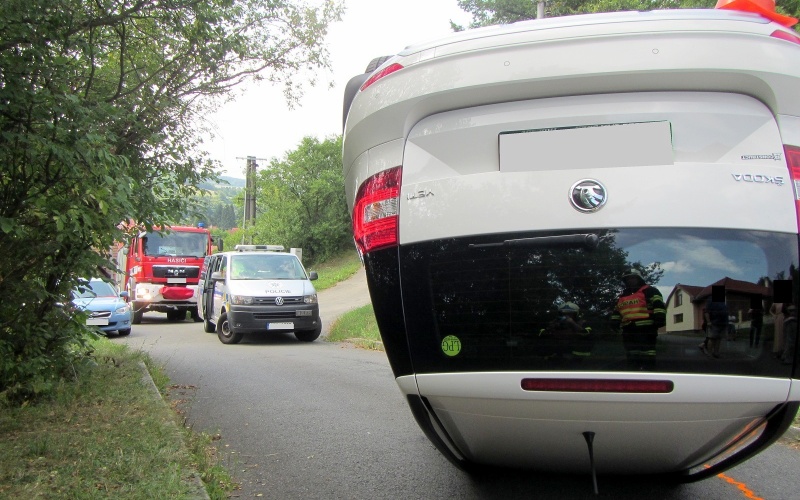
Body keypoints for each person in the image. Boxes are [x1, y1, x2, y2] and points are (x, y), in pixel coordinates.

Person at [611, 269, 666, 367]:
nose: (630, 280)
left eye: (632, 278)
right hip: (628, 330)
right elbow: (617, 310)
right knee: (632, 354)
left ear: (639, 279)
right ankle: (634, 374)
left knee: (648, 354)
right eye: (627, 279)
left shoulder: (650, 291)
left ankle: (648, 375)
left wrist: (660, 317)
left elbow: (658, 305)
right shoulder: (623, 296)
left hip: (646, 329)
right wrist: (614, 321)